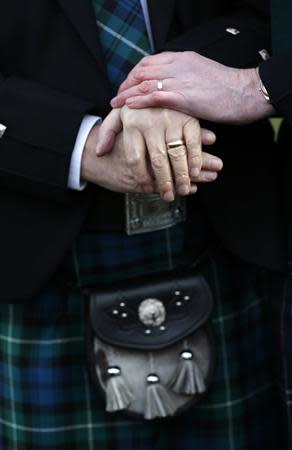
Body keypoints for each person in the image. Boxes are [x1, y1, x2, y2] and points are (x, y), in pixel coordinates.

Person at [0, 1, 286, 449]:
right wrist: (81, 145)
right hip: (44, 276)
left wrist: (166, 87)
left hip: (226, 253)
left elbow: (263, 14)